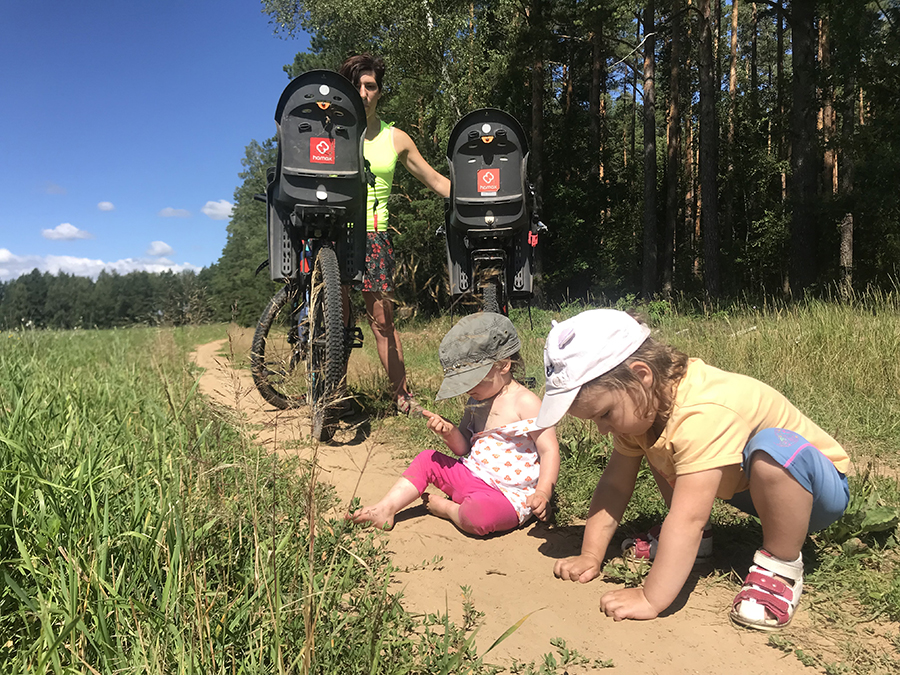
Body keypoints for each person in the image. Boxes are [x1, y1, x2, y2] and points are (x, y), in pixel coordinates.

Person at [537, 309, 850, 631]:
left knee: (773, 448)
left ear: (641, 375)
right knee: (660, 440)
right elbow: (615, 485)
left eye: (604, 414)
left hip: (814, 494)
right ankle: (700, 544)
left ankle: (781, 565)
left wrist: (650, 598)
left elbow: (688, 519)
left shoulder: (704, 410)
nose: (603, 430)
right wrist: (590, 553)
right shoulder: (647, 405)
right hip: (747, 489)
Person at [347, 312, 560, 536]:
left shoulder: (525, 402)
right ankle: (385, 508)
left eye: (472, 379)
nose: (468, 388)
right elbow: (465, 449)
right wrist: (450, 433)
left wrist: (543, 493)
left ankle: (449, 509)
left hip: (506, 496)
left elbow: (549, 450)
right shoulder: (476, 400)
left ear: (503, 365)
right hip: (471, 475)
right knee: (427, 459)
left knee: (480, 516)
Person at [338, 54, 451, 416]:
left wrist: (476, 198)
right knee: (336, 318)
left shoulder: (395, 137)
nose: (363, 93)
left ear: (380, 93)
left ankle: (402, 396)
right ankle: (333, 393)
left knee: (382, 320)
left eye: (370, 86)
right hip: (334, 230)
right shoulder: (330, 132)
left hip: (374, 234)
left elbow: (434, 180)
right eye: (356, 86)